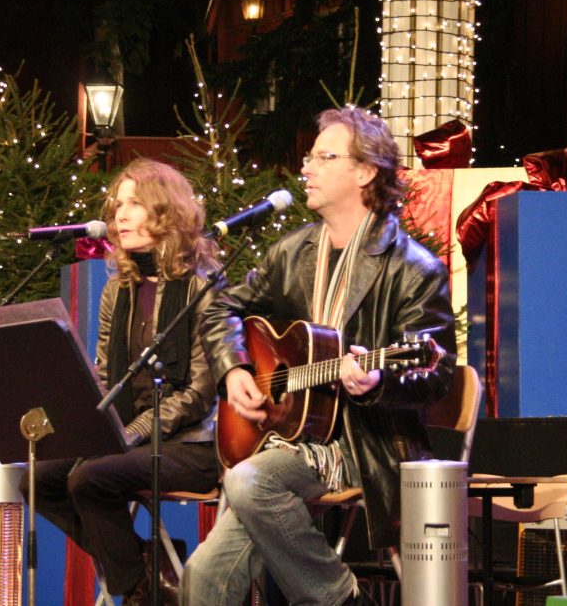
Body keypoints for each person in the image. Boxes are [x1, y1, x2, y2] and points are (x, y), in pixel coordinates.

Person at [181, 106, 456, 606]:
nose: (305, 168)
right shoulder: (291, 253)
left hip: (364, 444)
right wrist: (234, 368)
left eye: (324, 157)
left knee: (250, 481)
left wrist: (378, 383)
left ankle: (340, 598)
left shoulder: (414, 268)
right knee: (201, 579)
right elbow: (220, 307)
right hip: (288, 434)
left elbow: (437, 373)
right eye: (308, 157)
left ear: (365, 171)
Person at [27, 158, 221, 606]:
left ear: (166, 211)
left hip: (191, 444)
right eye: (118, 205)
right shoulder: (119, 288)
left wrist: (130, 432)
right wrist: (89, 424)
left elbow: (198, 394)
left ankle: (138, 589)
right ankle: (148, 571)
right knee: (37, 480)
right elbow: (105, 375)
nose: (120, 215)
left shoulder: (203, 287)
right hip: (129, 434)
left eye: (134, 203)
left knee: (89, 479)